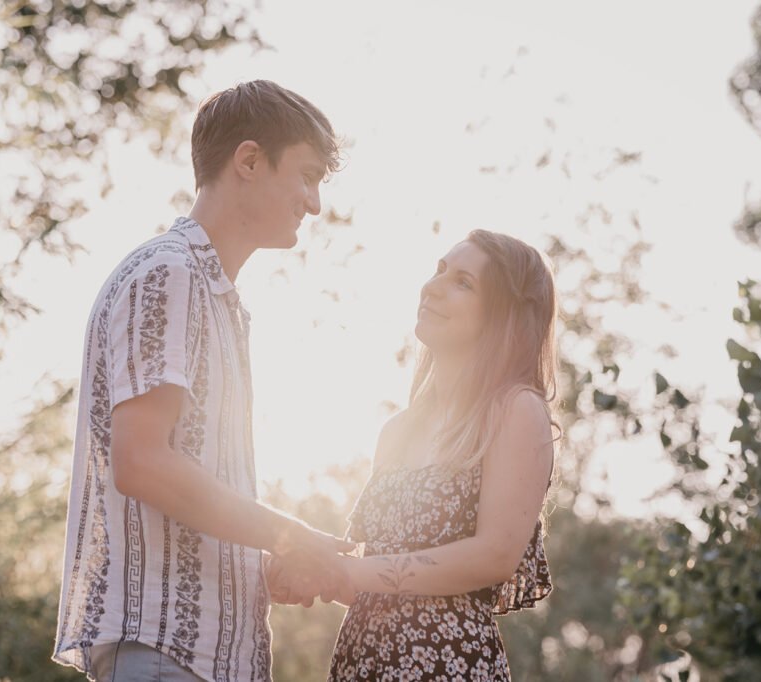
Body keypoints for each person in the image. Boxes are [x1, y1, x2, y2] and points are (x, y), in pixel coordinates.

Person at [52, 80, 352, 682]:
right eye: (306, 175)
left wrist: (252, 568)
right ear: (248, 160)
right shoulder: (171, 272)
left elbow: (180, 487)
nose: (314, 202)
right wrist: (288, 537)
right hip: (166, 658)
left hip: (199, 658)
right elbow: (142, 463)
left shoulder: (215, 296)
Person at [272, 229, 560, 680]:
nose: (433, 286)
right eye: (440, 270)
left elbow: (495, 555)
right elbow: (375, 578)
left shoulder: (516, 409)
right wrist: (313, 573)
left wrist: (346, 570)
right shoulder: (397, 430)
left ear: (502, 316)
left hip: (447, 663)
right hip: (360, 661)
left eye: (463, 282)